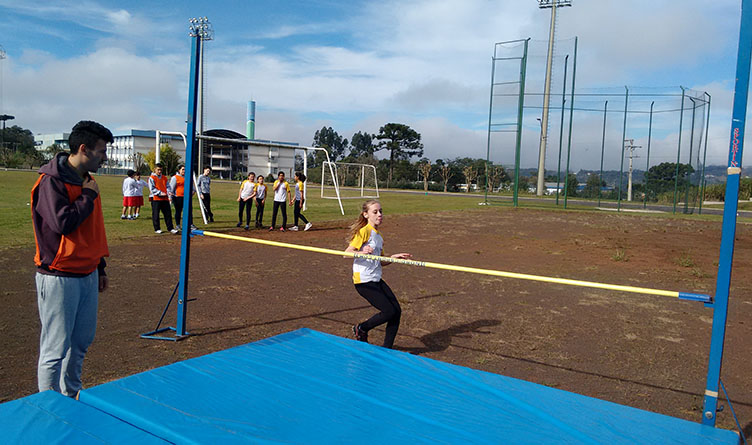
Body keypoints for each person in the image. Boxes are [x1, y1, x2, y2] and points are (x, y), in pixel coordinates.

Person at [30, 120, 113, 397]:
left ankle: (72, 395)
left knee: (80, 343)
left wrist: (99, 267)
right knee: (55, 348)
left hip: (87, 273)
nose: (105, 157)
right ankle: (49, 405)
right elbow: (63, 223)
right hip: (59, 275)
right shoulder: (51, 182)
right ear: (83, 149)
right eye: (101, 151)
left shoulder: (88, 182)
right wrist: (87, 196)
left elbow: (92, 230)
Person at [344, 200, 412, 349]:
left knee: (396, 311)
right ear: (366, 214)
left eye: (380, 211)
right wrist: (362, 252)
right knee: (389, 311)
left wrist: (393, 258)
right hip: (363, 281)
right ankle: (362, 328)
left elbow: (380, 261)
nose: (379, 214)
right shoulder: (364, 231)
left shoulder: (379, 236)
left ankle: (387, 348)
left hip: (376, 279)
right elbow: (347, 253)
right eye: (375, 212)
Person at [148, 163, 177, 234]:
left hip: (165, 198)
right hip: (156, 198)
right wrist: (160, 193)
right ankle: (157, 228)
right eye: (158, 170)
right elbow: (152, 189)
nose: (159, 171)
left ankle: (170, 228)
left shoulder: (164, 177)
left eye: (161, 170)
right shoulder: (152, 178)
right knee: (156, 214)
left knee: (168, 214)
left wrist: (169, 192)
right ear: (155, 169)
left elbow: (168, 186)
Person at [169, 165, 194, 231]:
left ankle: (190, 224)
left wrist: (191, 194)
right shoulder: (175, 178)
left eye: (185, 169)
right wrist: (170, 197)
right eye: (183, 169)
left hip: (186, 198)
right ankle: (178, 225)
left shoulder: (188, 177)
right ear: (179, 170)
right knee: (178, 211)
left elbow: (193, 188)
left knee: (189, 211)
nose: (184, 171)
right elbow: (171, 188)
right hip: (178, 197)